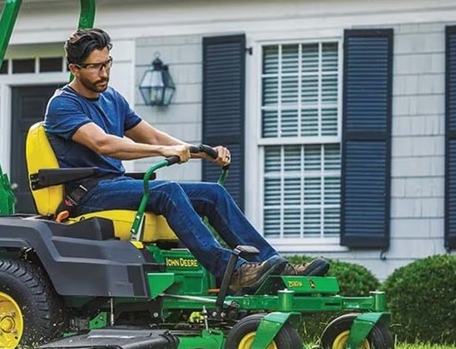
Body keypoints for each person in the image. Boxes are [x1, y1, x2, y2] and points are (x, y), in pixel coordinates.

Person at [44, 28, 328, 294]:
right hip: (90, 194)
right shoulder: (63, 105)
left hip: (116, 185)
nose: (104, 72)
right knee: (167, 191)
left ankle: (274, 268)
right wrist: (162, 153)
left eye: (107, 63)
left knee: (212, 194)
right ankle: (233, 272)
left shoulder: (112, 99)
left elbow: (153, 136)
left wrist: (201, 151)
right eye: (95, 67)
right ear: (74, 69)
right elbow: (104, 144)